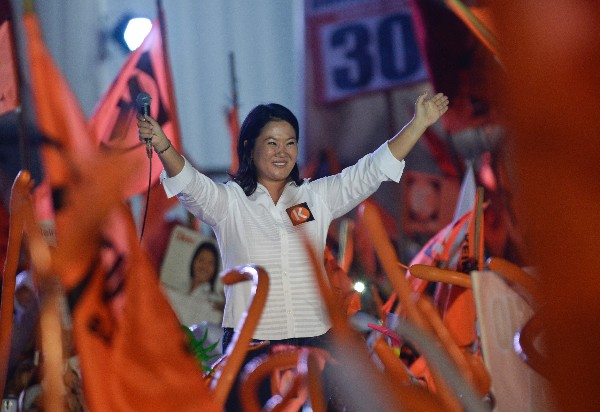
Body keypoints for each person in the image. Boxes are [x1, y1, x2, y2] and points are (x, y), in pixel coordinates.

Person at [138, 92, 449, 407]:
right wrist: (163, 145)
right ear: (249, 147)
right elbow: (190, 183)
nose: (281, 152)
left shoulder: (315, 197)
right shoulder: (228, 203)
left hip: (318, 347)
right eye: (271, 142)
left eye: (290, 142)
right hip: (251, 351)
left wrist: (419, 123)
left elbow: (370, 172)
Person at [162, 241, 225, 327]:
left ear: (215, 269)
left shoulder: (215, 302)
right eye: (201, 260)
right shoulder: (178, 287)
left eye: (210, 263)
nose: (204, 266)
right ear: (194, 261)